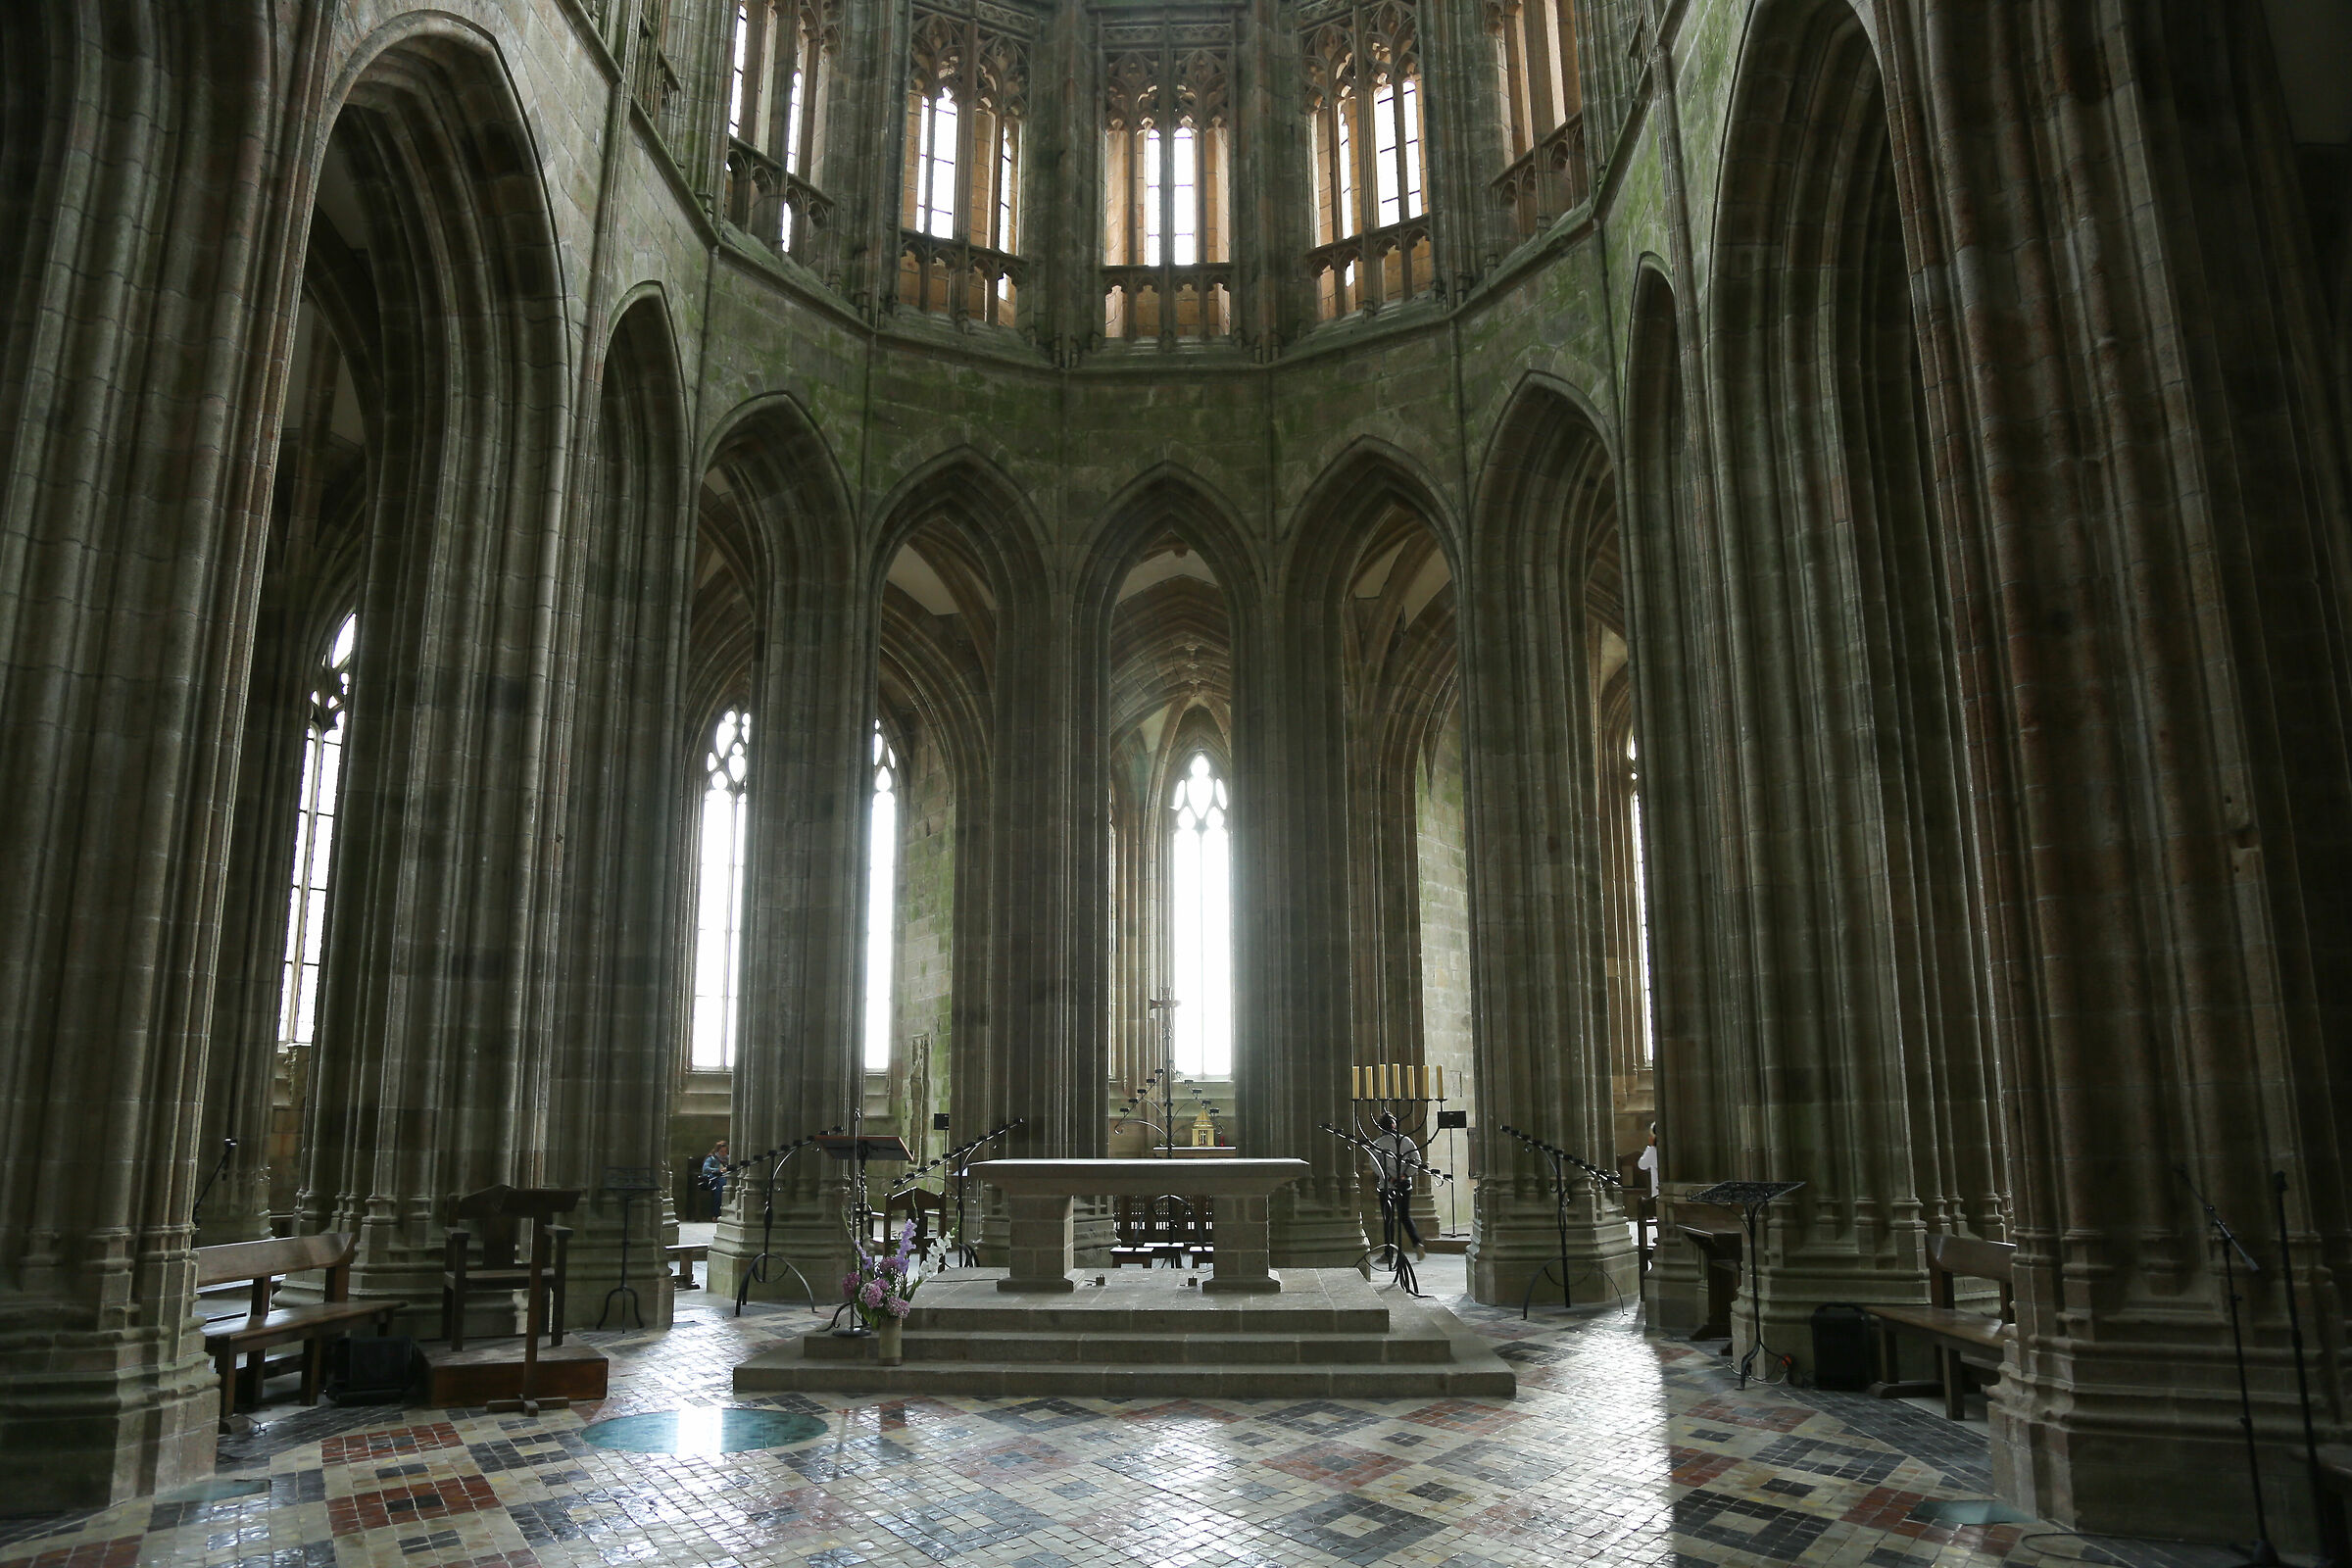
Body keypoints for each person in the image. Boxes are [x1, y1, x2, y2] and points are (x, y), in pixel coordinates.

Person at [1371, 1113, 1427, 1262]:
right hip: (1404, 1184)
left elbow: (1375, 1164)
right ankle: (1417, 1243)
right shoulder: (1406, 1141)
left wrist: (1389, 1178)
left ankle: (1389, 1253)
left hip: (1387, 1186)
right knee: (1405, 1217)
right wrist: (1404, 1175)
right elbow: (1416, 1160)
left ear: (1380, 1127)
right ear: (1394, 1125)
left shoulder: (1378, 1143)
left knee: (1388, 1219)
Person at [702, 1140, 729, 1220]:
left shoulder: (728, 1159)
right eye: (721, 1151)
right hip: (713, 1179)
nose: (723, 1153)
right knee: (720, 1187)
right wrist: (719, 1170)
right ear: (717, 1151)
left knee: (723, 1185)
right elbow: (705, 1169)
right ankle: (716, 1214)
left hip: (724, 1178)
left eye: (725, 1151)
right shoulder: (712, 1158)